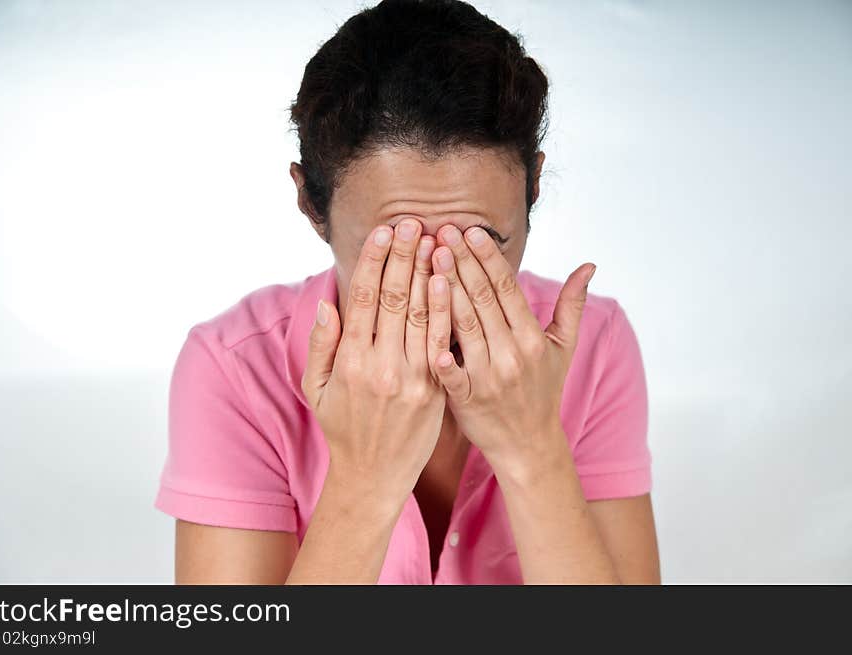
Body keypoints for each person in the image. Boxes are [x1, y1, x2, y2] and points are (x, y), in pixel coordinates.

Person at [155, 0, 660, 584]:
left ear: (535, 188)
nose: (441, 288)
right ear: (311, 206)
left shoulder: (594, 345)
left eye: (481, 243)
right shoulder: (234, 367)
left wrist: (533, 449)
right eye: (396, 250)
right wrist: (367, 481)